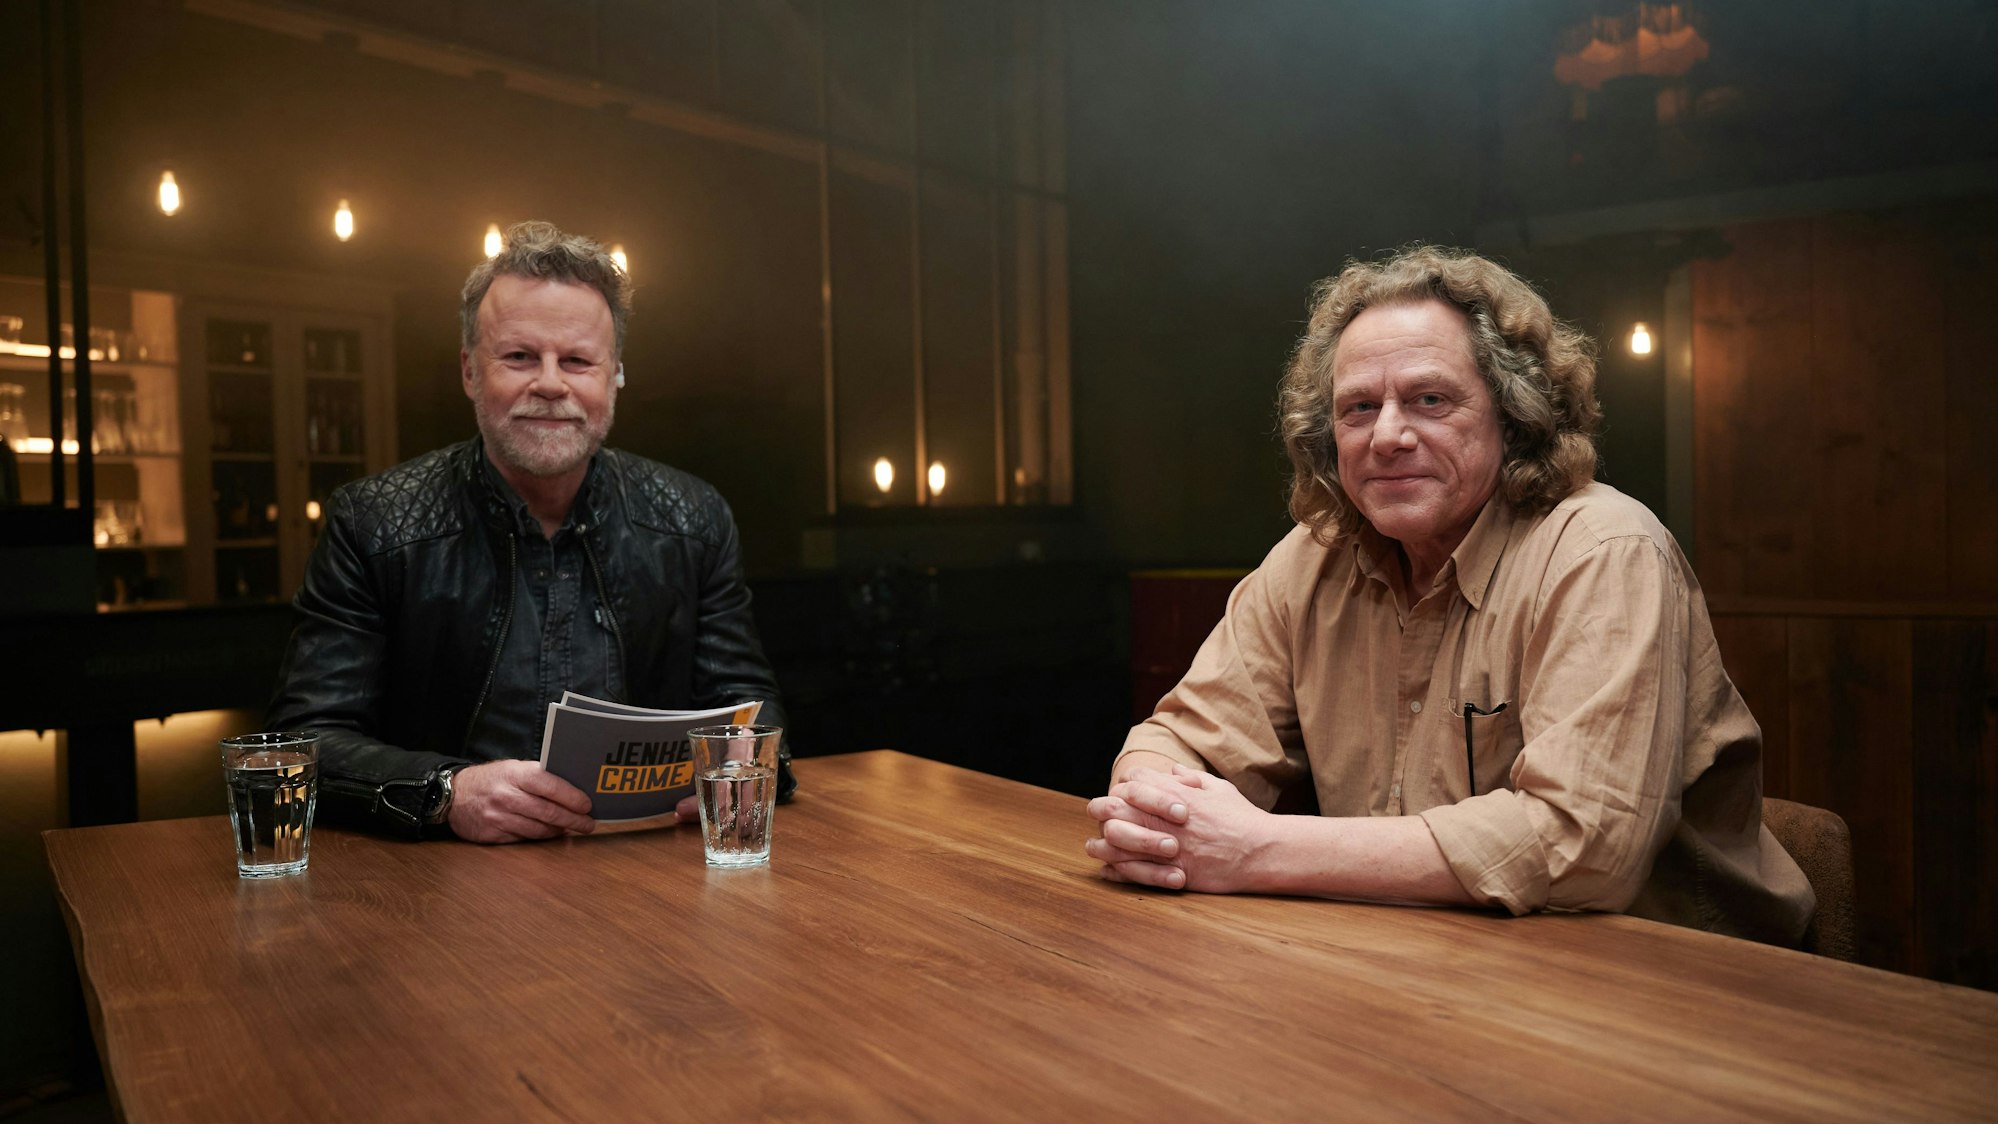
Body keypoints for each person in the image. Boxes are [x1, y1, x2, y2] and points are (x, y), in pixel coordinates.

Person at [1087, 246, 1812, 945]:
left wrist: (1259, 849)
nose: (1389, 435)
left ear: (1514, 415)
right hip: (1433, 963)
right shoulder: (1312, 560)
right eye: (1359, 408)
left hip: (1681, 988)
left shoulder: (1604, 549)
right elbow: (1176, 738)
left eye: (1430, 399)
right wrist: (1158, 815)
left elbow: (1583, 847)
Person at [268, 221, 792, 843]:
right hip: (435, 891)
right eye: (519, 357)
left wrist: (748, 766)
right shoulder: (373, 522)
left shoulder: (695, 518)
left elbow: (749, 709)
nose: (550, 383)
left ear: (614, 377)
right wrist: (447, 791)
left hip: (649, 874)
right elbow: (303, 743)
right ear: (469, 372)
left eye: (576, 360)